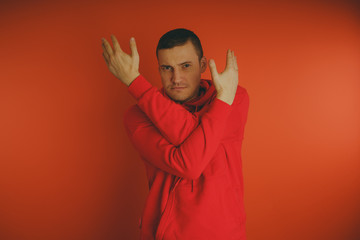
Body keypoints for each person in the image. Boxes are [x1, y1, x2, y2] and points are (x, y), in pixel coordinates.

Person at [101, 28, 249, 240]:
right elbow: (191, 164)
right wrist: (222, 101)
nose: (176, 78)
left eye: (185, 66)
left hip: (225, 233)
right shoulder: (137, 115)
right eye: (167, 68)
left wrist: (136, 84)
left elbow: (192, 155)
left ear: (203, 65)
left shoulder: (235, 96)